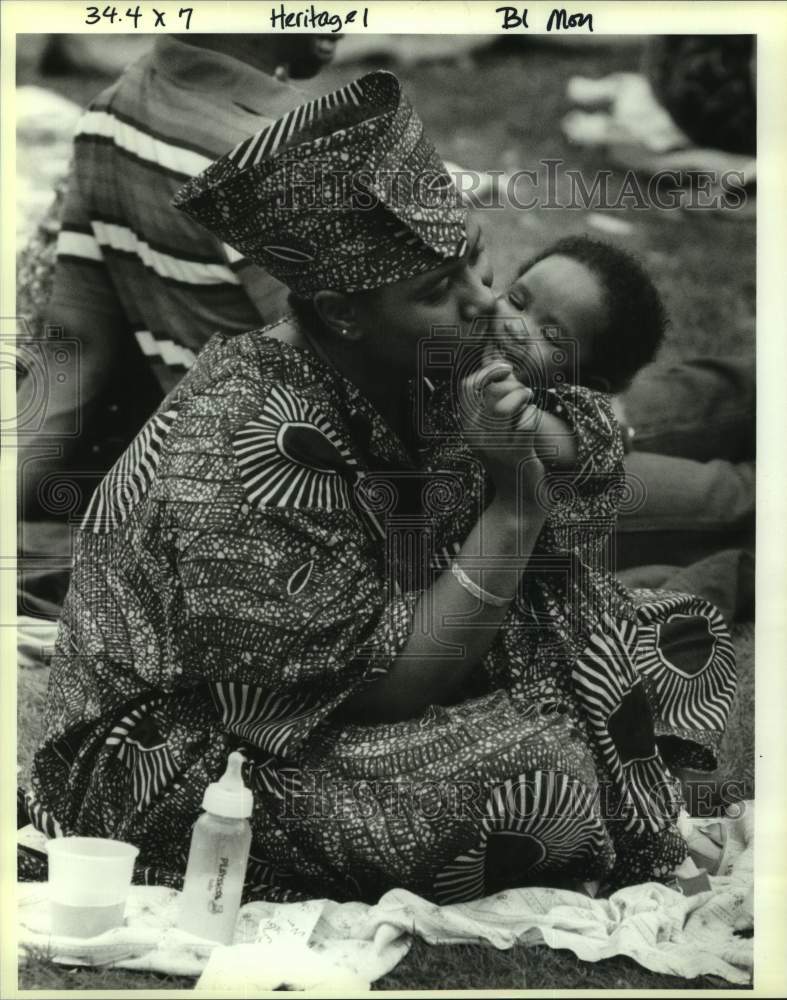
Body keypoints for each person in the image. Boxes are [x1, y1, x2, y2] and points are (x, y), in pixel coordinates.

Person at [28, 71, 736, 904]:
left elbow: (590, 436)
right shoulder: (241, 443)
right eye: (439, 291)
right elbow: (387, 687)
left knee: (667, 647)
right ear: (339, 311)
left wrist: (537, 443)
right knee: (535, 771)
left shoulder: (420, 351)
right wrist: (512, 507)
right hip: (186, 756)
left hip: (381, 658)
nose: (481, 306)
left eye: (474, 265)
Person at [17, 33, 340, 619]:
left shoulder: (111, 114)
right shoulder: (271, 152)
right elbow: (343, 386)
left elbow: (73, 351)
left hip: (182, 504)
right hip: (281, 527)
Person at [498, 235, 755, 622]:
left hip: (561, 416)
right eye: (516, 301)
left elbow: (565, 432)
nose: (516, 326)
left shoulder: (533, 394)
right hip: (544, 501)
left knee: (719, 395)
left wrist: (535, 417)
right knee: (738, 500)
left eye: (549, 335)